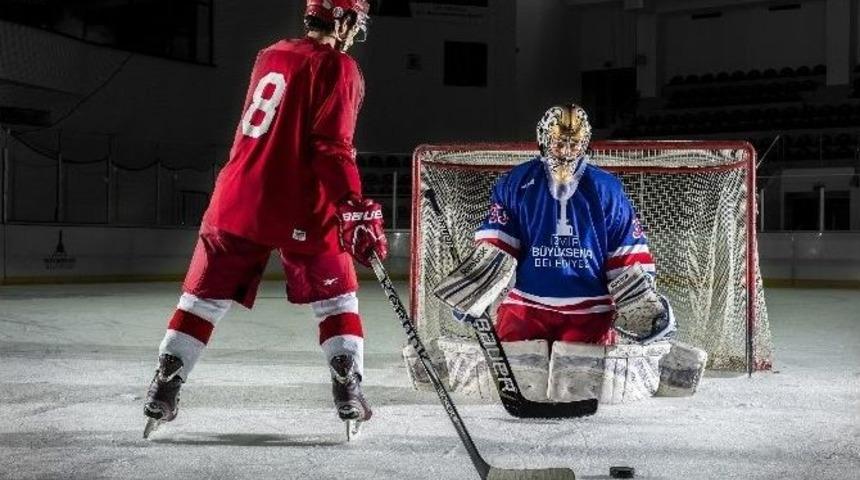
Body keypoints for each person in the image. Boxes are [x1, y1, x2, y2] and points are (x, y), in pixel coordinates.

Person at [144, 0, 386, 434]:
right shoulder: (340, 67)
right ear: (344, 19)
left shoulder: (269, 55)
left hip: (236, 196)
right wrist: (351, 204)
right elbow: (331, 148)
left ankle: (164, 386)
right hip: (299, 203)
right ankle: (347, 388)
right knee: (338, 301)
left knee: (201, 301)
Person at [436, 103, 676, 348]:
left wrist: (642, 301)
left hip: (590, 312)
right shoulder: (515, 183)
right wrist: (479, 286)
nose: (566, 152)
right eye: (559, 143)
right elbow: (499, 245)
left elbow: (625, 252)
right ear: (543, 139)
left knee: (581, 383)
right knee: (519, 379)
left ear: (585, 144)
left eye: (574, 144)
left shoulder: (607, 189)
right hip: (525, 306)